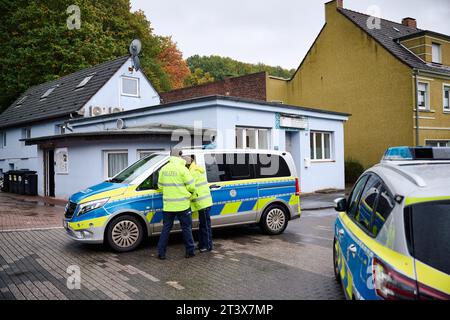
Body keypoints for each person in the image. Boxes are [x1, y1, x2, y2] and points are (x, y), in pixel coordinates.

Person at [157, 149, 197, 259]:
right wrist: (189, 192)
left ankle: (161, 253)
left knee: (166, 229)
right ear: (179, 157)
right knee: (186, 228)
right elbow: (192, 186)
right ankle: (190, 251)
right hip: (183, 205)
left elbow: (160, 186)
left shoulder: (163, 169)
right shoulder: (182, 169)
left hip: (168, 206)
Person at [188, 156, 214, 252]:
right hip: (203, 202)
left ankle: (208, 246)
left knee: (205, 226)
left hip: (202, 203)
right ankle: (202, 244)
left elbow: (190, 187)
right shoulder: (196, 169)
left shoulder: (192, 172)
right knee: (203, 225)